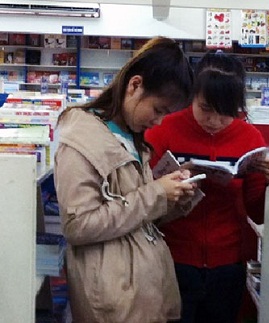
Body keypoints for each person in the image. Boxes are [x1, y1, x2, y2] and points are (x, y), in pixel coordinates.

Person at [54, 36, 197, 323]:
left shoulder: (130, 137)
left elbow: (134, 217)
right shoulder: (82, 138)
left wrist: (174, 198)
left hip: (142, 294)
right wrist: (157, 193)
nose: (158, 122)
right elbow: (78, 225)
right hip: (113, 300)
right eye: (158, 110)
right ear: (134, 85)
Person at [145, 50, 269, 323]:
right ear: (192, 96)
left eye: (226, 113)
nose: (214, 121)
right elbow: (141, 195)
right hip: (171, 259)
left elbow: (256, 212)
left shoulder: (250, 137)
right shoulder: (163, 129)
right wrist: (166, 185)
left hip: (228, 264)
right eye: (206, 108)